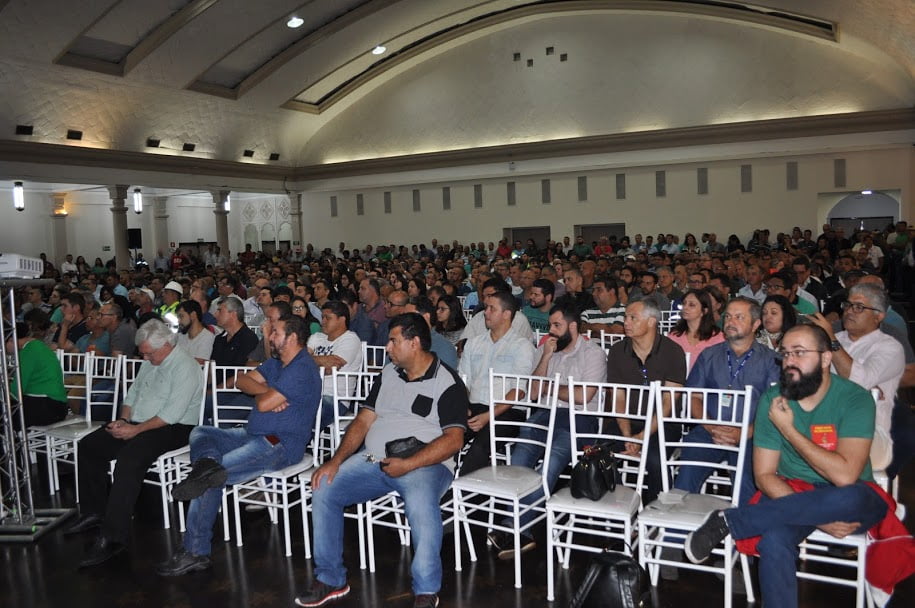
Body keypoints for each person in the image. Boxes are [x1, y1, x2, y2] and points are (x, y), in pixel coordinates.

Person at [684, 324, 888, 608]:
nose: (790, 361)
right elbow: (764, 476)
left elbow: (845, 475)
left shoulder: (855, 398)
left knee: (854, 494)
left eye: (799, 352)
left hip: (848, 499)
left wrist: (789, 430)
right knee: (774, 539)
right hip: (793, 492)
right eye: (786, 353)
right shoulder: (773, 400)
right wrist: (816, 516)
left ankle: (731, 521)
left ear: (826, 358)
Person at [296, 313, 467, 608]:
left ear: (414, 343)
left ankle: (426, 590)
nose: (387, 348)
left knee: (421, 504)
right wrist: (335, 461)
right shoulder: (388, 373)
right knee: (324, 485)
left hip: (426, 464)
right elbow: (363, 420)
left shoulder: (447, 381)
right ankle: (331, 579)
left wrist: (409, 464)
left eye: (393, 341)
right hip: (375, 457)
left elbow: (454, 440)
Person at [157, 316, 321, 576]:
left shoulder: (302, 369)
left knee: (210, 478)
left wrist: (264, 393)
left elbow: (263, 405)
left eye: (275, 332)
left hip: (279, 444)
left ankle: (195, 551)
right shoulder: (277, 362)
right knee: (201, 432)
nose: (270, 337)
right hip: (251, 434)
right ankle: (206, 464)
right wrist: (266, 390)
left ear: (292, 338)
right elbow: (240, 379)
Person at [65, 320, 204, 567]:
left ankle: (113, 537)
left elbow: (171, 415)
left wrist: (136, 430)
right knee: (89, 446)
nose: (145, 358)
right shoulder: (151, 362)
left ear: (166, 345)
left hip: (174, 428)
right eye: (143, 353)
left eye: (149, 353)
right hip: (139, 423)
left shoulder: (186, 367)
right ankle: (94, 511)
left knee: (129, 460)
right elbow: (132, 395)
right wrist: (123, 421)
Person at [487, 302, 607, 559]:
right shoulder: (548, 350)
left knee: (550, 463)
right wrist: (545, 357)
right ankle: (519, 529)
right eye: (550, 325)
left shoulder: (593, 352)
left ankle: (513, 527)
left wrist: (550, 388)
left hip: (579, 419)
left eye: (556, 325)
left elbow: (583, 396)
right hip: (546, 414)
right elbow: (533, 392)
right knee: (519, 458)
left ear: (572, 327)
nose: (551, 330)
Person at [673, 297, 781, 504]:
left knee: (749, 482)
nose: (731, 322)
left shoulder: (771, 360)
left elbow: (776, 407)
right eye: (728, 317)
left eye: (739, 317)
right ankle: (678, 521)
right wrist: (711, 426)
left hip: (752, 435)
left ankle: (744, 522)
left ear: (756, 324)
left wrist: (744, 432)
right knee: (686, 475)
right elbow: (694, 397)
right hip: (709, 430)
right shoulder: (709, 355)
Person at [809, 283, 904, 471]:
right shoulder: (836, 338)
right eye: (848, 305)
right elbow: (809, 378)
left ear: (878, 316)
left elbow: (858, 381)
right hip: (823, 422)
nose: (849, 311)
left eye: (859, 307)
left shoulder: (890, 347)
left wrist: (831, 341)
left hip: (867, 432)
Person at [606, 300, 686, 504]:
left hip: (662, 423)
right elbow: (618, 397)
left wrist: (641, 437)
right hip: (625, 420)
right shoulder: (617, 351)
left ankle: (656, 510)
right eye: (625, 317)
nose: (626, 322)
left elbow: (668, 402)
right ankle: (621, 506)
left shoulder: (673, 351)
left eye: (633, 318)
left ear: (651, 321)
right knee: (601, 454)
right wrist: (628, 436)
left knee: (655, 460)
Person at [457, 290, 538, 475]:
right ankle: (440, 482)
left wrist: (488, 416)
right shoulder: (474, 343)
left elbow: (518, 391)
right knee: (447, 436)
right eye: (486, 308)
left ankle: (462, 490)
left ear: (506, 314)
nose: (485, 312)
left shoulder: (522, 346)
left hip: (508, 410)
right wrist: (463, 406)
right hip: (475, 406)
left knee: (481, 445)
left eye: (492, 309)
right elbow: (463, 381)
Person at [308, 300, 364, 429]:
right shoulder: (317, 337)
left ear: (342, 319)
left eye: (328, 318)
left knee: (301, 416)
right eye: (322, 317)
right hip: (309, 393)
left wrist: (310, 360)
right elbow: (300, 362)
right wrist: (321, 361)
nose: (323, 321)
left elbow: (331, 368)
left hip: (335, 399)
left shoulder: (350, 339)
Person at [7, 317, 68, 428]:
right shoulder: (38, 346)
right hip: (55, 405)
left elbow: (17, 389)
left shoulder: (28, 351)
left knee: (6, 413)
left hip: (47, 406)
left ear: (11, 340)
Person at [666, 289, 725, 373]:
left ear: (704, 311)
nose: (685, 307)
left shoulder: (718, 338)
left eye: (692, 305)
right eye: (684, 303)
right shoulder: (674, 335)